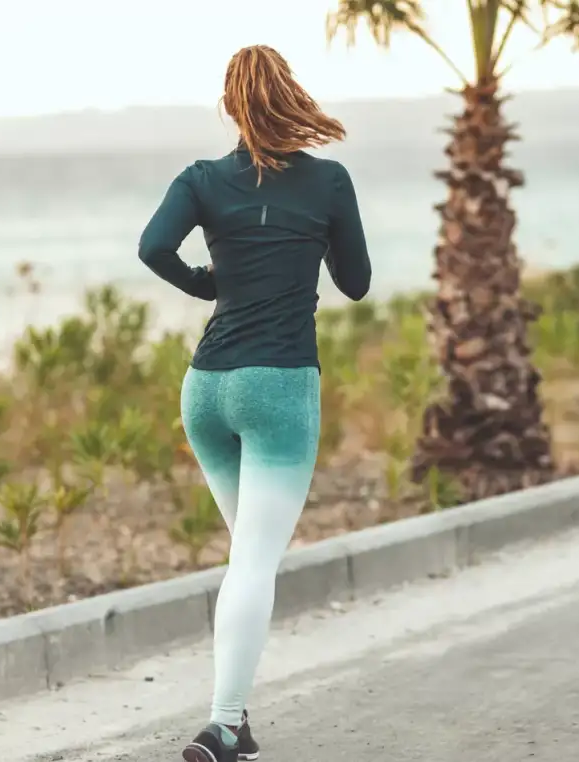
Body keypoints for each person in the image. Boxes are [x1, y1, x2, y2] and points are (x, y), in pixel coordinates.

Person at [136, 44, 372, 762]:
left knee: (249, 558)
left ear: (232, 106)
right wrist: (309, 245)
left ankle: (238, 722)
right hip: (278, 389)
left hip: (206, 389)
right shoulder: (328, 182)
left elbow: (152, 248)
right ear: (290, 97)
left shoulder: (202, 179)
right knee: (254, 564)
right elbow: (356, 281)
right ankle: (223, 722)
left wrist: (211, 284)